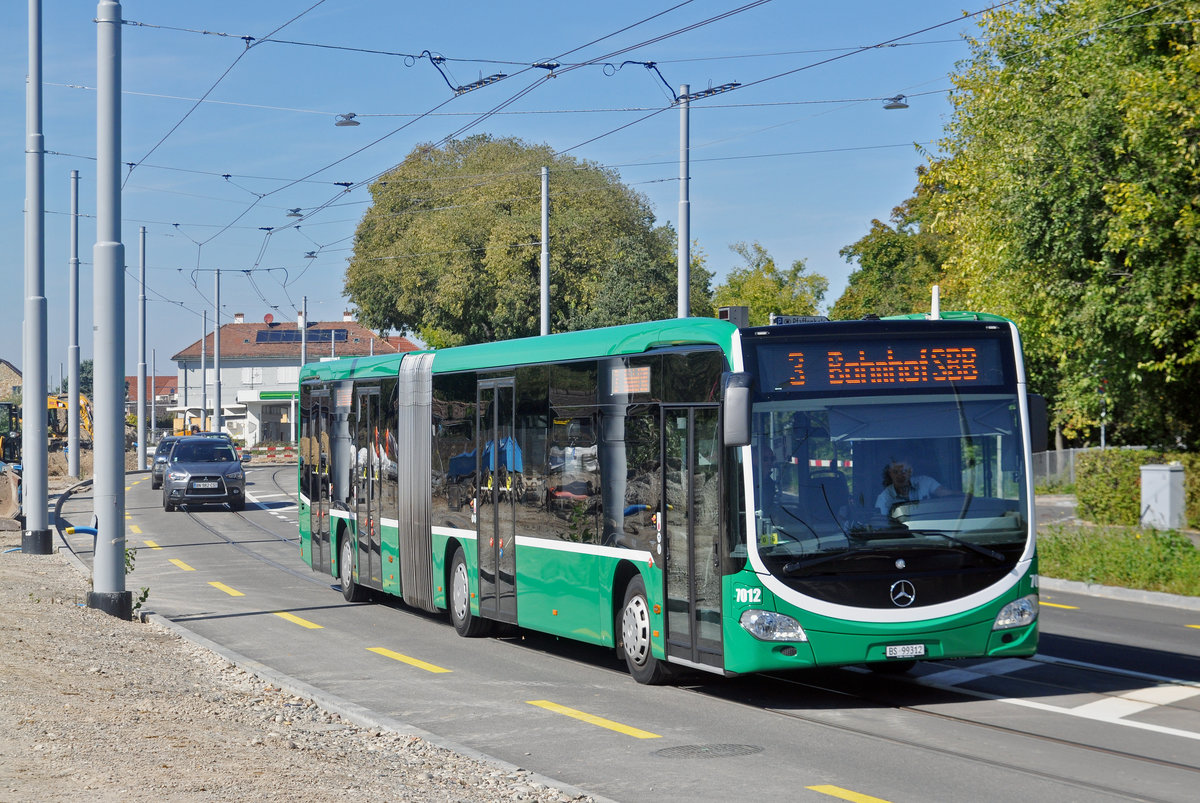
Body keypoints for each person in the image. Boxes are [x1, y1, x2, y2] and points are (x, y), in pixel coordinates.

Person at [875, 456, 952, 515]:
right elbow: (882, 525)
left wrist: (964, 498)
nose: (899, 476)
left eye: (903, 471)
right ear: (890, 474)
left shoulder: (925, 482)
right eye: (895, 472)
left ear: (910, 471)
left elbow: (944, 493)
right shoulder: (883, 499)